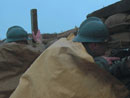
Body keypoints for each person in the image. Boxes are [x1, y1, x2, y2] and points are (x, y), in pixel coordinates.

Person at [10, 17, 129, 98]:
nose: (106, 50)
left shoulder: (63, 44)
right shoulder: (69, 53)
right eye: (105, 45)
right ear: (94, 45)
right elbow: (81, 81)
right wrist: (102, 63)